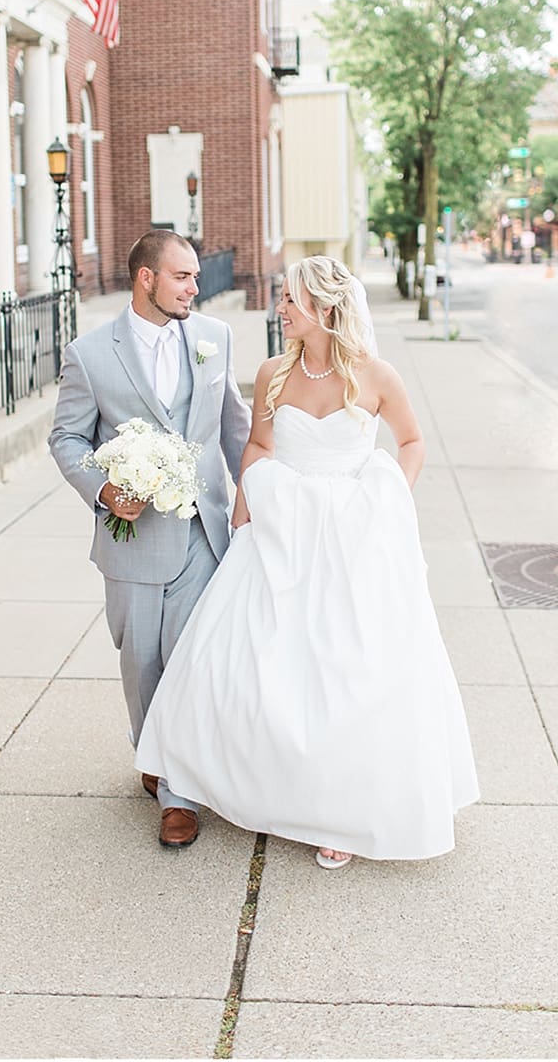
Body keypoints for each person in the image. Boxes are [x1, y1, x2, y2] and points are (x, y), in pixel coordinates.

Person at [134, 255, 479, 867]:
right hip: (282, 530)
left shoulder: (375, 375)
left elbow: (412, 442)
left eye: (291, 299)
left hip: (352, 537)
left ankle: (341, 812)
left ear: (324, 307)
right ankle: (246, 785)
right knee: (249, 664)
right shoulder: (273, 372)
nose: (281, 308)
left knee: (346, 669)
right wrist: (243, 516)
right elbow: (258, 445)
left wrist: (388, 503)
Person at [48, 230, 253, 849]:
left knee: (190, 657)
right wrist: (106, 491)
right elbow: (67, 438)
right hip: (132, 538)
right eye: (182, 276)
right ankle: (153, 751)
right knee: (141, 662)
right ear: (147, 279)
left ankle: (178, 793)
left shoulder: (215, 338)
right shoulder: (90, 354)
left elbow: (234, 428)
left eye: (194, 276)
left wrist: (255, 502)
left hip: (203, 531)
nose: (195, 287)